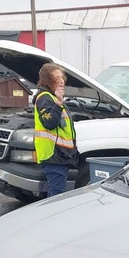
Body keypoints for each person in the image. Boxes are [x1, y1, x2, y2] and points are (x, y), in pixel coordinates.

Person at [33, 63, 78, 197]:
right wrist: (58, 104)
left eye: (62, 77)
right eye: (57, 77)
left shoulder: (51, 97)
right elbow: (49, 122)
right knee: (56, 195)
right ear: (48, 80)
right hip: (53, 154)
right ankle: (52, 217)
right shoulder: (45, 98)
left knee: (55, 193)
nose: (62, 81)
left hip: (60, 155)